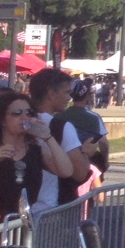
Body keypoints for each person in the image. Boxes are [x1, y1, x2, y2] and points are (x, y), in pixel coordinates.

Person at [0, 89, 76, 217]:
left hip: (23, 223)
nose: (24, 118)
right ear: (2, 120)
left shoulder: (35, 150)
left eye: (29, 113)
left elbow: (66, 171)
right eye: (17, 113)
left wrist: (48, 138)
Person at [26, 69, 93, 208]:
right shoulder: (62, 128)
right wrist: (85, 152)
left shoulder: (17, 122)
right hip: (51, 208)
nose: (69, 98)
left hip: (17, 209)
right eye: (67, 92)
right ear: (51, 93)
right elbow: (80, 173)